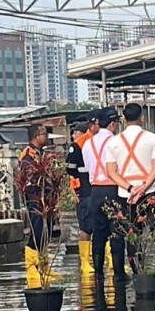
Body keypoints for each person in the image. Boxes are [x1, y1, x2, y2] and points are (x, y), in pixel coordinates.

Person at [104, 103, 155, 277]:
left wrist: (131, 188)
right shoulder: (152, 138)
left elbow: (111, 172)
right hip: (151, 192)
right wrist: (143, 188)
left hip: (127, 196)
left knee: (133, 237)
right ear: (142, 118)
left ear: (123, 120)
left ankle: (138, 276)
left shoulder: (114, 142)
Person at [83, 107, 121, 277]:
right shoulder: (117, 142)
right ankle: (119, 272)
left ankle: (98, 273)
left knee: (98, 232)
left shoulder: (87, 143)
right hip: (114, 189)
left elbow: (88, 167)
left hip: (95, 191)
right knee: (117, 231)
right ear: (113, 124)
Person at [18, 123, 56, 288]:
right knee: (37, 230)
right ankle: (32, 268)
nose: (46, 136)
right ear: (35, 136)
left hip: (45, 196)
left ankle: (44, 265)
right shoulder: (28, 155)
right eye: (43, 133)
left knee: (47, 230)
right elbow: (30, 178)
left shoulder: (41, 153)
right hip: (34, 196)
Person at [66, 112, 98, 275]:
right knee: (86, 226)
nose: (73, 135)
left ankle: (104, 260)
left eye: (75, 132)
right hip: (84, 190)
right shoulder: (78, 145)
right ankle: (85, 262)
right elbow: (70, 171)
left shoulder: (94, 142)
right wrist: (73, 189)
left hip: (94, 188)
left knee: (102, 224)